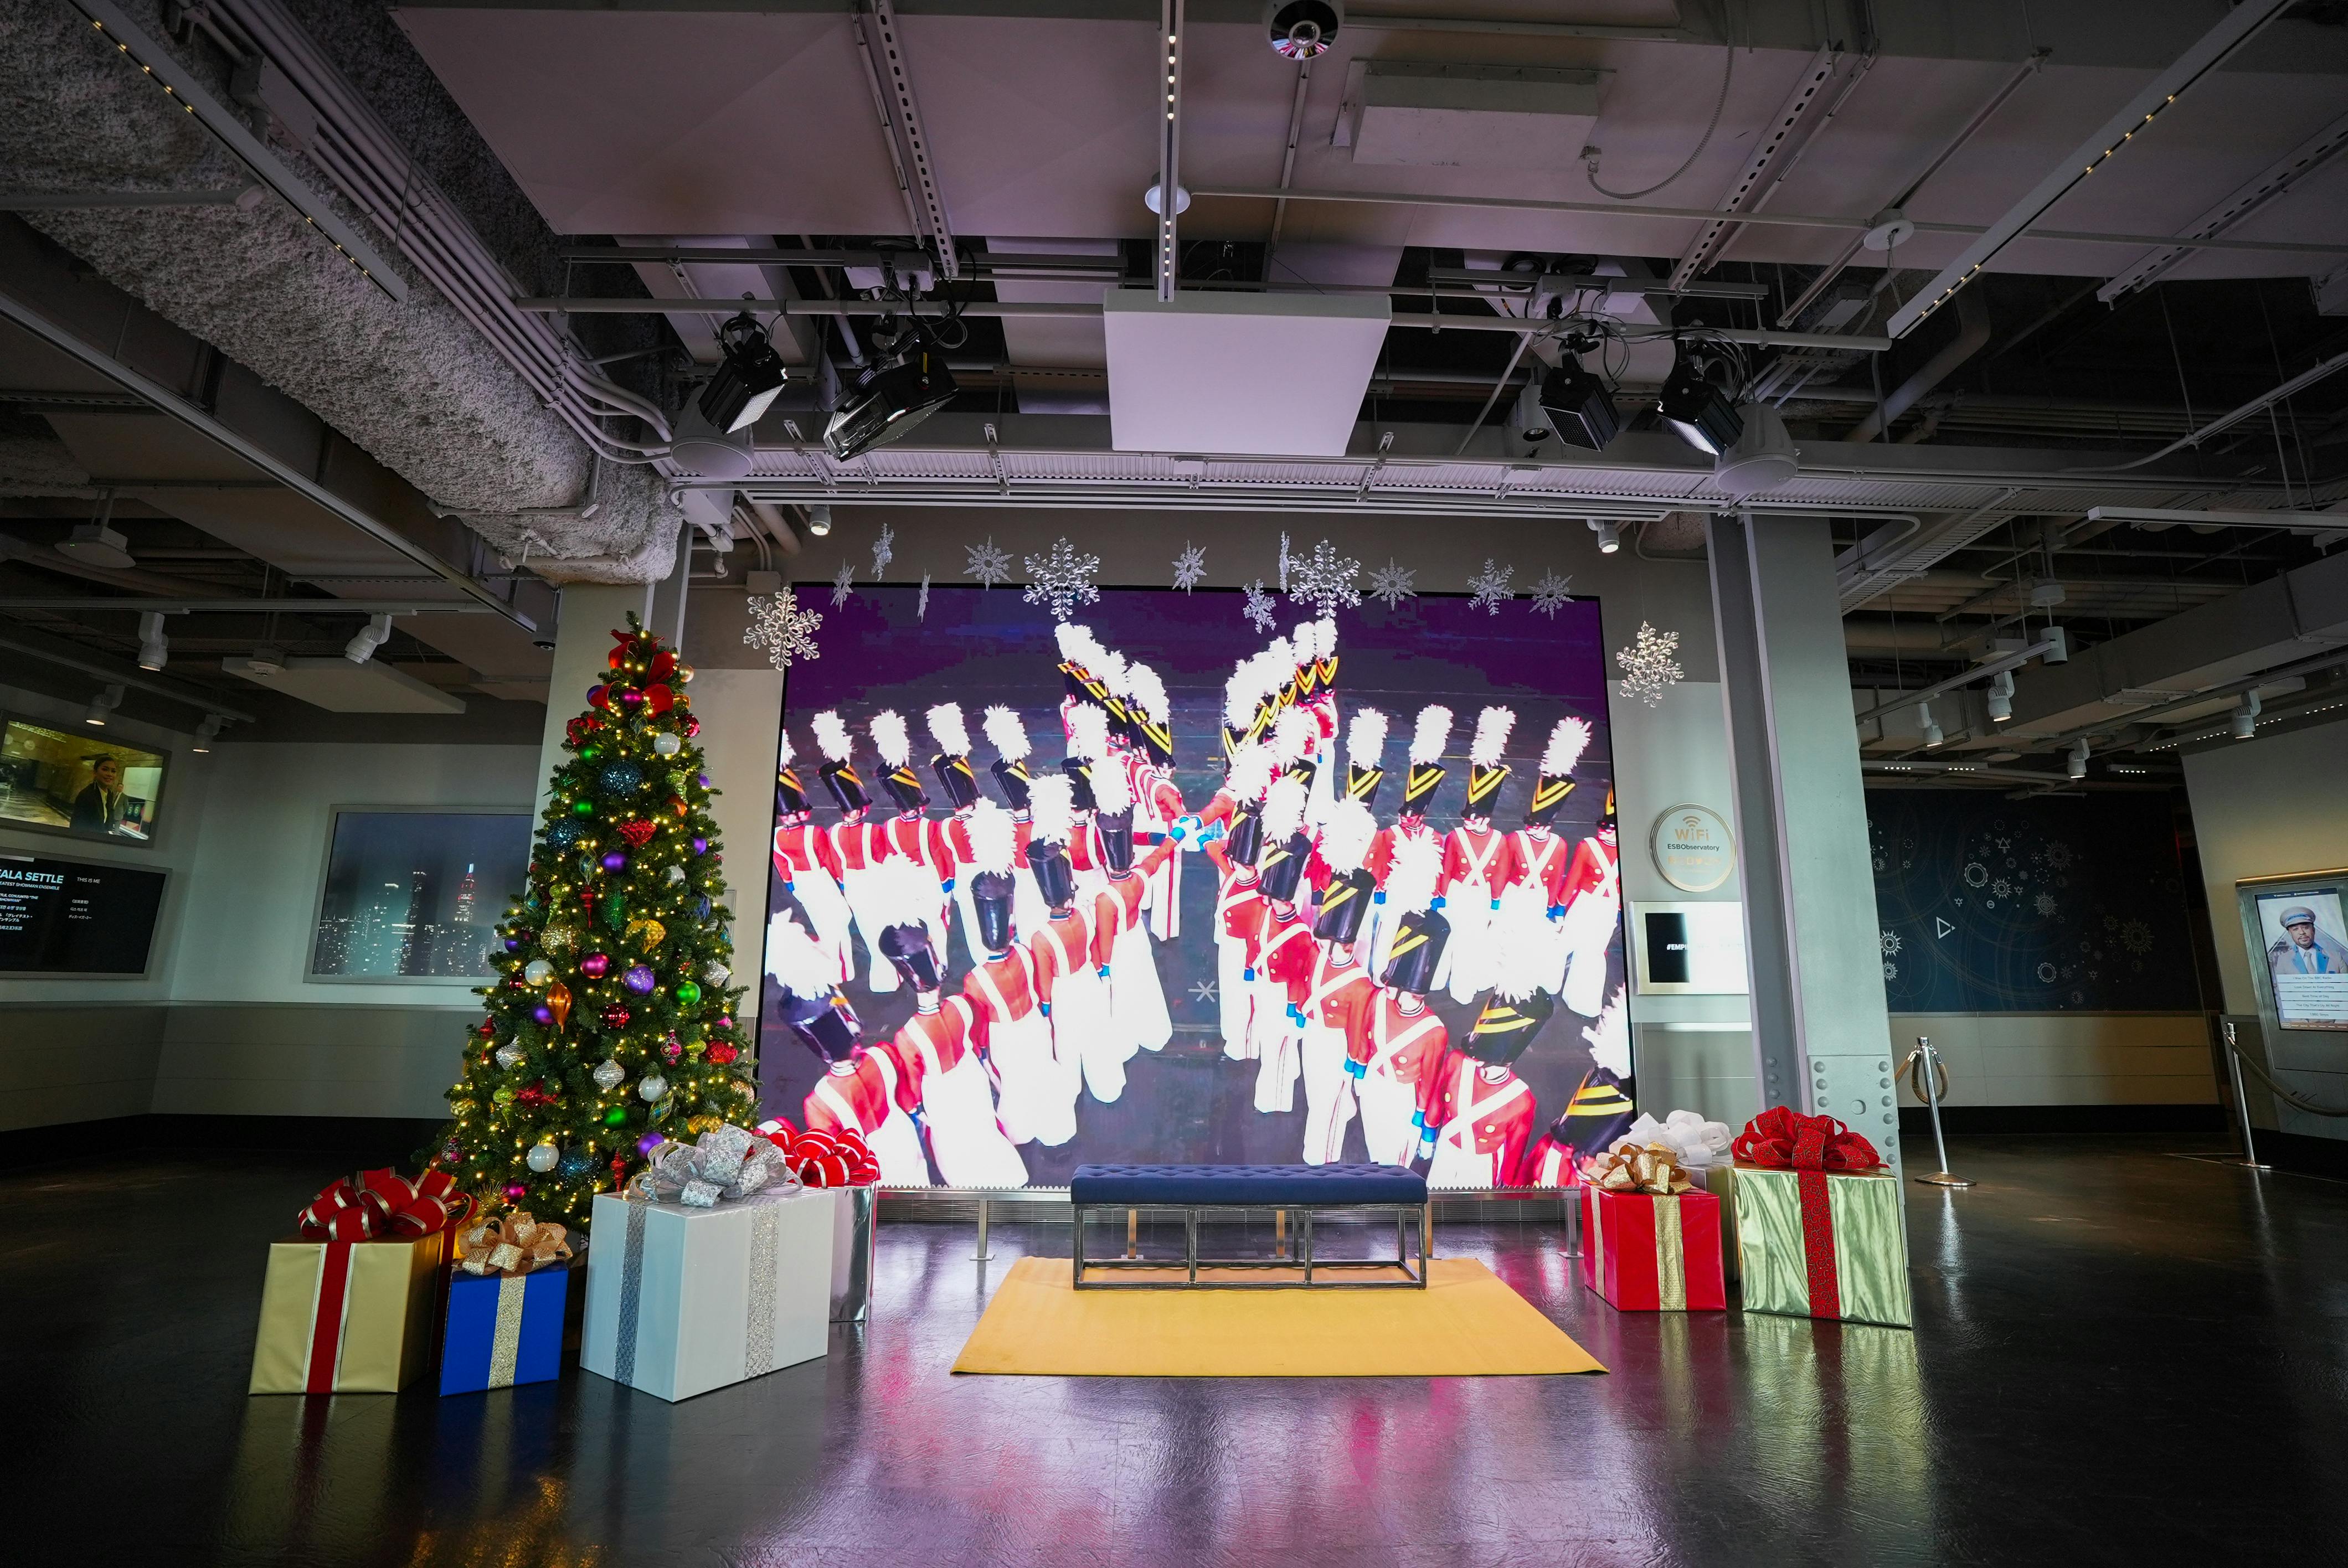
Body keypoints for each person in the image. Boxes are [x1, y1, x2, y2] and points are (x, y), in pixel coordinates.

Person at [769, 914, 932, 1187]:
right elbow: (908, 1102)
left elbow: (828, 1155)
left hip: (869, 1164)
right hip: (904, 1138)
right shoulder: (883, 1053)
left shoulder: (818, 1102)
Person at [2270, 905, 2348, 976]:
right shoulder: (2283, 960)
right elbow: (2283, 990)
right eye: (2295, 929)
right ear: (2290, 934)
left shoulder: (2336, 958)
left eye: (2306, 927)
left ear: (2313, 930)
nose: (2302, 932)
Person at [71, 755, 131, 835]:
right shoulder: (86, 795)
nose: (110, 774)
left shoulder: (110, 794)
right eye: (105, 770)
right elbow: (76, 827)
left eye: (113, 771)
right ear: (95, 772)